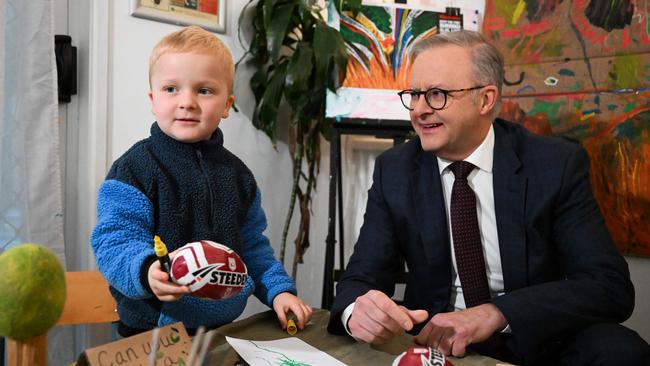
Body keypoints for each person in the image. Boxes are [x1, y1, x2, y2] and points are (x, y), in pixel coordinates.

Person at [327, 30, 650, 365]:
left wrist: (497, 313)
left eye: (436, 94)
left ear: (486, 99)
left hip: (534, 337)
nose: (419, 110)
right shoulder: (394, 170)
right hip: (437, 343)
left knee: (621, 350)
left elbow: (608, 286)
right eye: (415, 94)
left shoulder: (555, 164)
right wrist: (358, 311)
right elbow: (359, 279)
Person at [91, 26, 312, 337]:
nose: (187, 102)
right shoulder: (133, 169)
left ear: (226, 105)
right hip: (151, 333)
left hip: (221, 330)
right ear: (153, 100)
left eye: (204, 90)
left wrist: (279, 291)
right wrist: (146, 272)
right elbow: (114, 241)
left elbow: (252, 249)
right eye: (171, 89)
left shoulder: (239, 177)